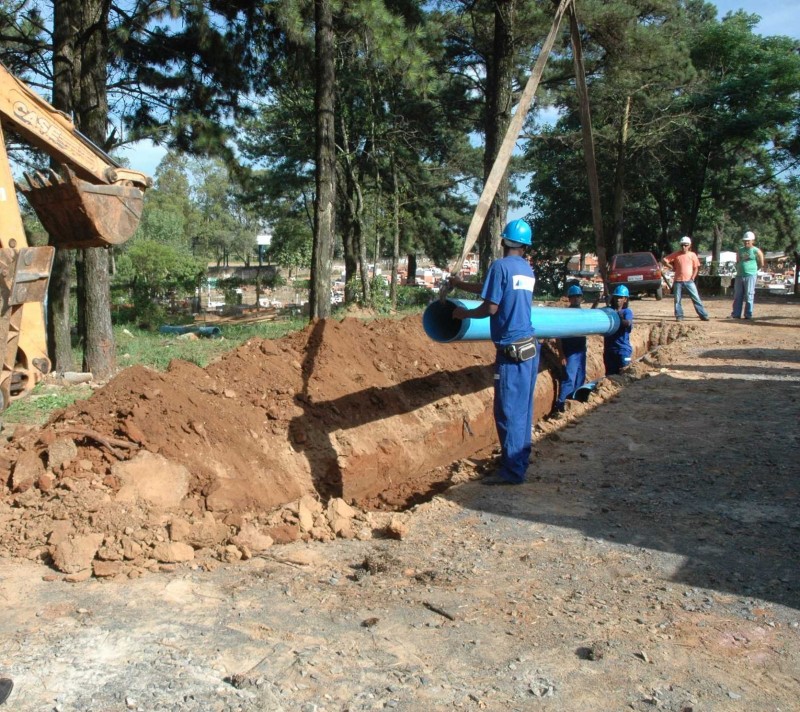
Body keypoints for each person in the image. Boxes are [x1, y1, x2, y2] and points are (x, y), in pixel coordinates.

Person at [448, 219, 538, 485]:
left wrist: (463, 314)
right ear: (524, 245)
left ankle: (511, 473)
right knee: (522, 410)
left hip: (511, 352)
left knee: (507, 411)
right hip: (530, 348)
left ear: (502, 241)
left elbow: (490, 307)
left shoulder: (499, 266)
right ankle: (518, 462)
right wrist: (462, 285)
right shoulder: (526, 270)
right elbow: (493, 289)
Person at [554, 284, 587, 414]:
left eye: (578, 296)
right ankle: (561, 407)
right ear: (569, 299)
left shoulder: (583, 313)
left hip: (581, 352)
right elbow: (558, 336)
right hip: (570, 354)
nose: (576, 299)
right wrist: (561, 355)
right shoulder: (565, 315)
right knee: (569, 381)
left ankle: (575, 405)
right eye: (574, 297)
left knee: (580, 378)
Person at [661, 236, 710, 322]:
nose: (684, 247)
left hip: (689, 281)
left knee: (696, 298)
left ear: (689, 246)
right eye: (682, 245)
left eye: (686, 245)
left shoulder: (692, 255)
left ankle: (703, 315)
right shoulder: (676, 254)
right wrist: (672, 267)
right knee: (677, 300)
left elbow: (696, 268)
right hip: (678, 281)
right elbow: (664, 260)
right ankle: (679, 316)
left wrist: (693, 277)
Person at [731, 231, 765, 319]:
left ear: (752, 241)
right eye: (745, 241)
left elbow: (761, 261)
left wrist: (756, 269)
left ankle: (748, 314)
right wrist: (739, 267)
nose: (746, 242)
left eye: (748, 241)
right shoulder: (740, 250)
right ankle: (736, 314)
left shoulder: (755, 250)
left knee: (749, 294)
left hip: (750, 275)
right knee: (738, 295)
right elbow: (737, 260)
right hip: (740, 275)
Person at [604, 284, 633, 375]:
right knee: (610, 376)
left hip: (623, 350)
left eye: (621, 297)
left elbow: (628, 323)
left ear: (625, 299)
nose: (618, 299)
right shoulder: (608, 310)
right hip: (609, 350)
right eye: (616, 297)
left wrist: (619, 319)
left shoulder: (627, 312)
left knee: (624, 374)